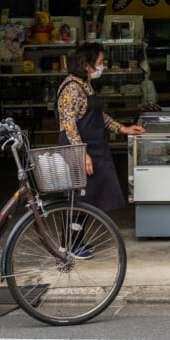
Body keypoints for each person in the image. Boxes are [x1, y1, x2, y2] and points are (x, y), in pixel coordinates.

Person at [56, 41, 144, 212]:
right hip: (81, 152)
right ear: (87, 65)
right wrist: (81, 154)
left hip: (95, 149)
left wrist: (122, 129)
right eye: (100, 62)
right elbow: (69, 125)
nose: (103, 66)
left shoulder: (85, 84)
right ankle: (71, 238)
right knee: (79, 202)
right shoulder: (72, 88)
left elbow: (97, 115)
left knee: (92, 200)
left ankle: (78, 238)